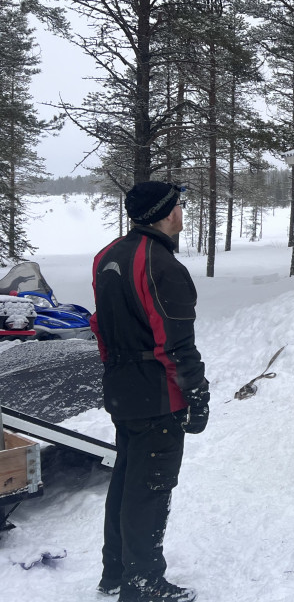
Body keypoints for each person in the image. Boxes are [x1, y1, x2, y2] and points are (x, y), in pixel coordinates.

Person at [91, 182, 209, 602]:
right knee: (150, 488)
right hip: (156, 394)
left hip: (123, 390)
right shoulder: (161, 266)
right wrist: (197, 396)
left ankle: (116, 571)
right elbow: (176, 344)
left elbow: (100, 329)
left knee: (126, 478)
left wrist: (115, 373)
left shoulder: (108, 256)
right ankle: (143, 583)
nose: (182, 212)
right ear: (164, 212)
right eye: (178, 205)